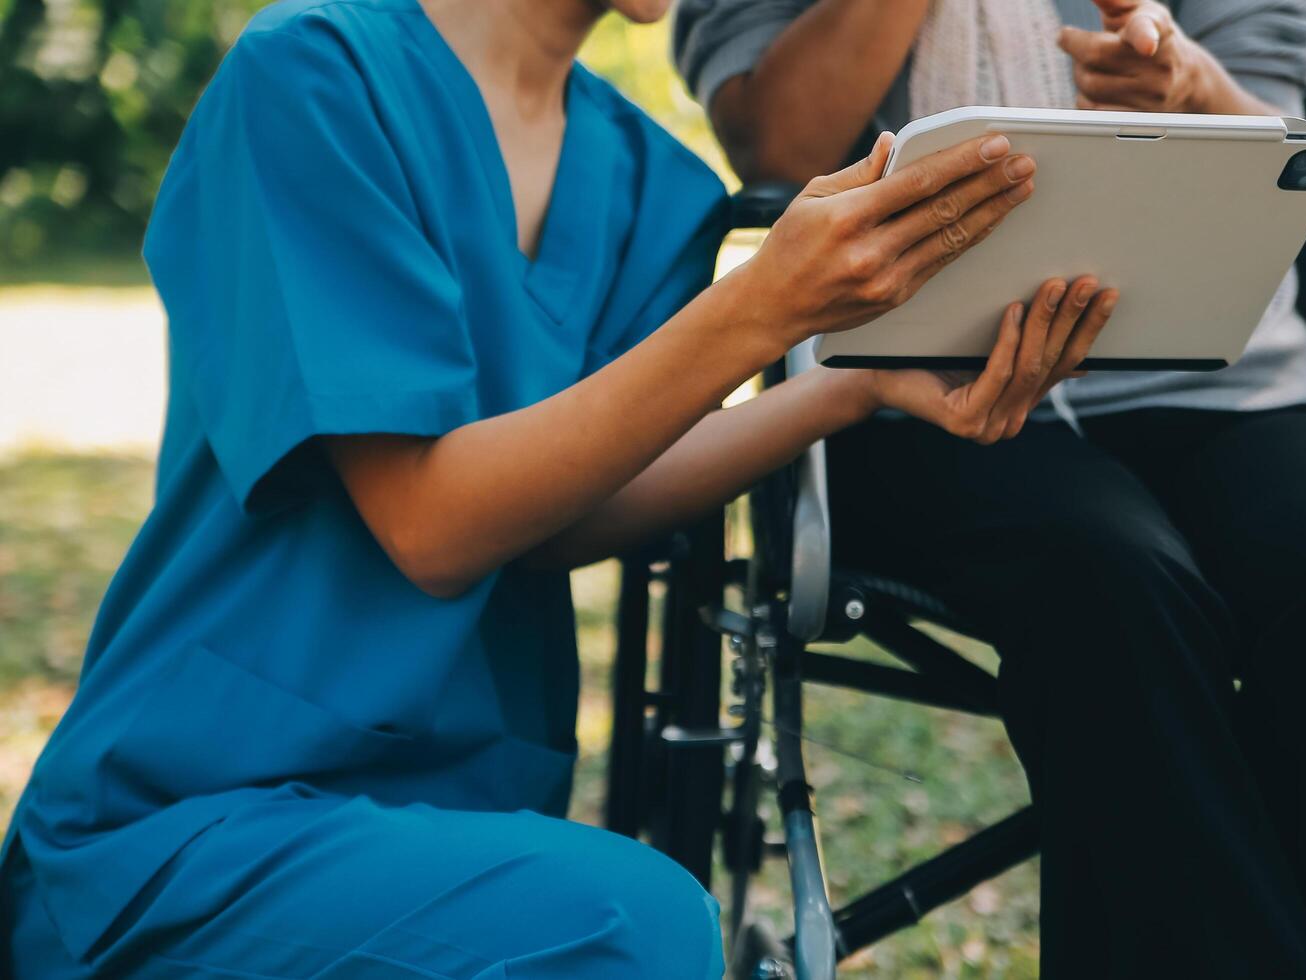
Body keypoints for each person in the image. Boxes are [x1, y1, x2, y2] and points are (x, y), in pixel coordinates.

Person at [0, 0, 1123, 975]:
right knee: (633, 927)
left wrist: (848, 388)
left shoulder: (648, 181)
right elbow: (432, 525)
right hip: (198, 813)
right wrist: (760, 311)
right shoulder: (309, 76)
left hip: (456, 822)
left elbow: (561, 514)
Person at [675, 1, 1306, 977]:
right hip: (918, 389)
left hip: (1223, 379)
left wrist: (1191, 91)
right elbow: (776, 147)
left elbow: (1282, 153)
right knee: (1104, 572)